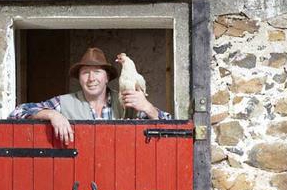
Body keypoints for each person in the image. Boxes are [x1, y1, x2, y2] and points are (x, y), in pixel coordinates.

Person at [9, 47, 171, 145]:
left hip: (121, 174)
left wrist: (149, 108)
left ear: (107, 77)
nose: (91, 78)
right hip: (78, 176)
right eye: (85, 73)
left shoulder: (127, 100)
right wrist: (51, 114)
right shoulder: (64, 102)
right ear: (79, 79)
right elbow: (16, 114)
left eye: (97, 72)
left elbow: (171, 129)